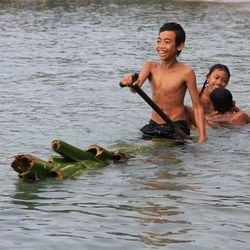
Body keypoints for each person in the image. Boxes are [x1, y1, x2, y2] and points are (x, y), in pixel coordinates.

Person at [120, 22, 206, 143]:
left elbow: (197, 106)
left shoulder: (186, 72)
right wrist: (130, 80)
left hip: (176, 128)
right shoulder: (150, 66)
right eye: (158, 41)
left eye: (167, 42)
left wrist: (202, 137)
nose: (161, 46)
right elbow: (136, 87)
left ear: (180, 46)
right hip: (153, 125)